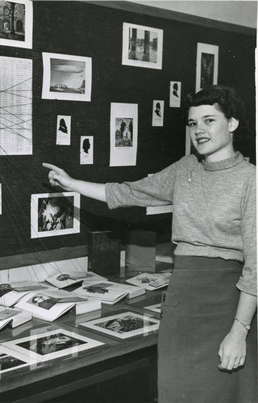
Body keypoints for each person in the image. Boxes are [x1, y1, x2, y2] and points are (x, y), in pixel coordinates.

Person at [43, 85, 256, 402]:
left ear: (233, 123)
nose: (199, 130)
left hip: (226, 307)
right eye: (193, 123)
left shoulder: (251, 180)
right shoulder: (186, 169)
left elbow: (256, 266)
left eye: (209, 120)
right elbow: (128, 192)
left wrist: (239, 332)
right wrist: (71, 183)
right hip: (181, 302)